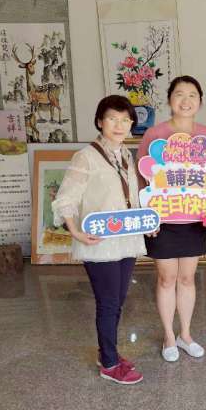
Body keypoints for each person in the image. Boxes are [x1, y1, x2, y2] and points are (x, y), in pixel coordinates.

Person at [52, 95, 145, 385]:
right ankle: (109, 364)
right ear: (99, 122)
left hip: (126, 238)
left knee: (117, 301)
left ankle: (108, 352)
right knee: (108, 303)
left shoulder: (126, 154)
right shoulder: (86, 156)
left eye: (125, 120)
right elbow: (66, 198)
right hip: (99, 241)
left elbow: (131, 197)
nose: (119, 125)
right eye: (112, 119)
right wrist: (75, 231)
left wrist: (147, 222)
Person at [136, 76, 206, 362]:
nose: (186, 100)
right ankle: (168, 337)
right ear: (170, 99)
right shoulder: (155, 134)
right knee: (166, 279)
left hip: (194, 219)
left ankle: (185, 334)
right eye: (179, 94)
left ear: (200, 101)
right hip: (163, 219)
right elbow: (142, 176)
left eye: (192, 95)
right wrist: (148, 216)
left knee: (186, 278)